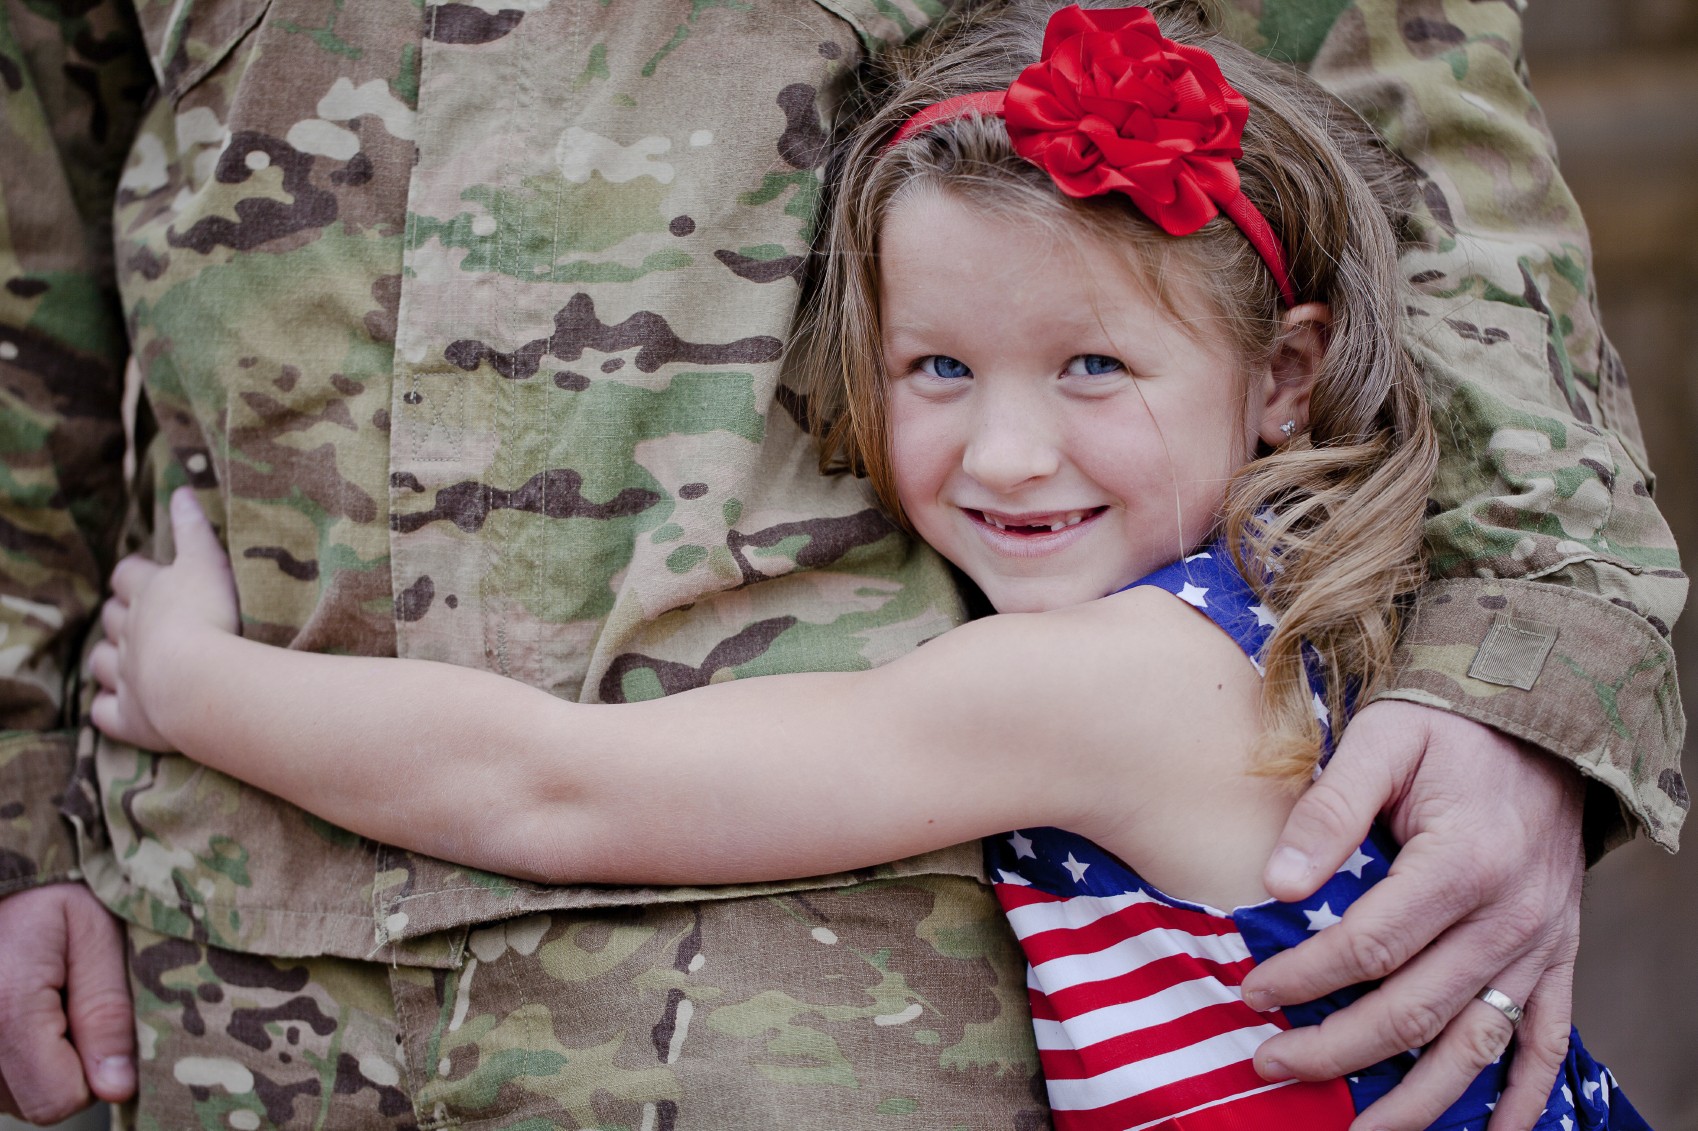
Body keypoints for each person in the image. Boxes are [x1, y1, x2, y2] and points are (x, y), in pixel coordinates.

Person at [0, 0, 1681, 1127]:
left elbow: (550, 794)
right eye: (934, 368)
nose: (1006, 453)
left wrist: (195, 684)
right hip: (231, 964)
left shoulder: (1113, 686)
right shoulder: (1229, 641)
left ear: (1285, 375)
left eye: (1091, 366)